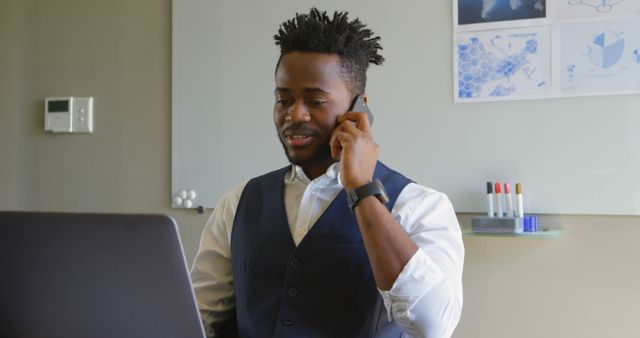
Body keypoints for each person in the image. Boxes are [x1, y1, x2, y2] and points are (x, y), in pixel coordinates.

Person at [190, 8, 464, 338]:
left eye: (315, 100)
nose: (294, 114)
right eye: (283, 99)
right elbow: (196, 316)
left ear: (358, 108)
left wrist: (361, 188)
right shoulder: (238, 202)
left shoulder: (420, 206)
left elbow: (433, 325)